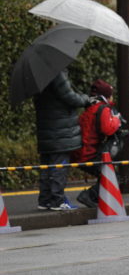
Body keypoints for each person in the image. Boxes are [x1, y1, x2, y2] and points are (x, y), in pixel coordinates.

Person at [35, 69, 90, 211]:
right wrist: (85, 99)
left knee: (46, 166)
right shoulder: (55, 72)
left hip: (45, 127)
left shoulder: (37, 74)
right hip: (60, 130)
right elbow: (70, 97)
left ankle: (45, 200)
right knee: (59, 166)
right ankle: (57, 201)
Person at [72, 79, 122, 208]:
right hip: (89, 153)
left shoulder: (89, 108)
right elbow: (107, 129)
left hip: (79, 151)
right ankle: (89, 195)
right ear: (107, 95)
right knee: (113, 176)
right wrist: (116, 120)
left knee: (105, 174)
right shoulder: (103, 108)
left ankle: (97, 199)